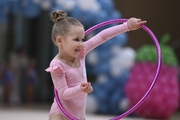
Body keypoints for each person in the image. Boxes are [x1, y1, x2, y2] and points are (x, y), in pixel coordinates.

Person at [45, 9, 147, 120]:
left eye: (82, 39)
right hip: (60, 115)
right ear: (60, 41)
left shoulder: (81, 53)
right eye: (76, 39)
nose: (81, 44)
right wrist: (80, 89)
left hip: (79, 116)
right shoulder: (57, 65)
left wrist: (126, 26)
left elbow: (102, 36)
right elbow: (63, 93)